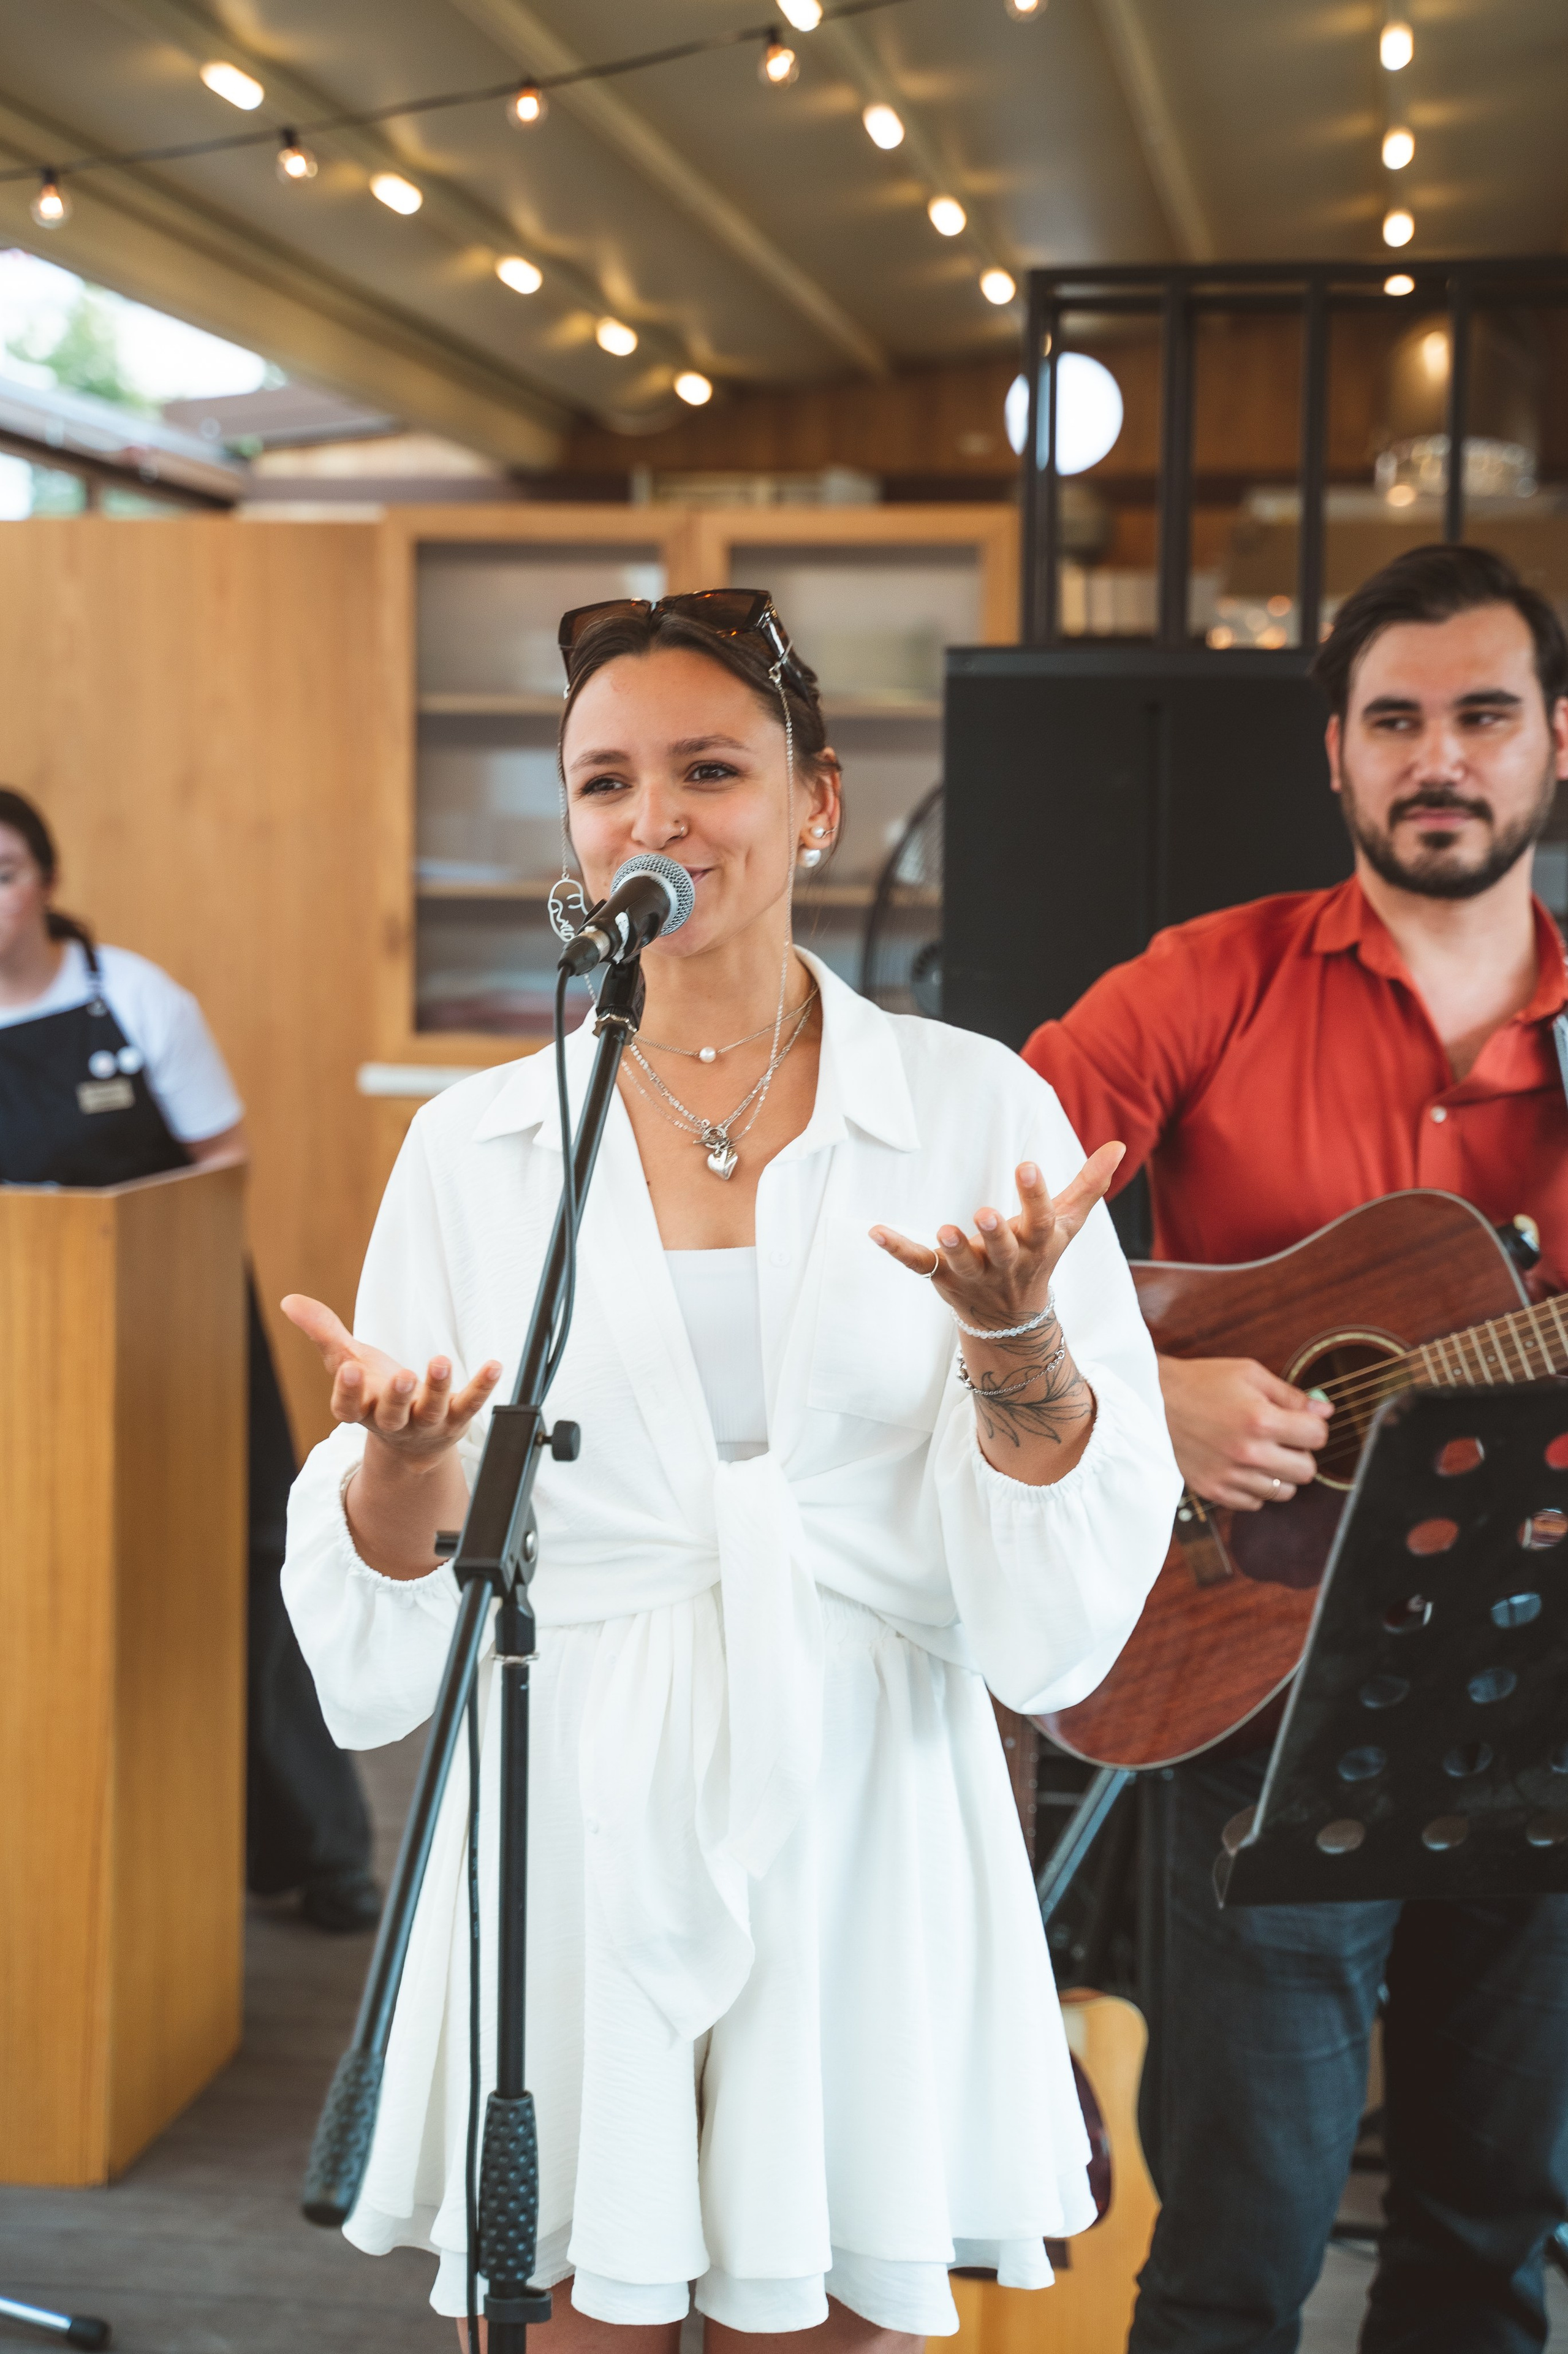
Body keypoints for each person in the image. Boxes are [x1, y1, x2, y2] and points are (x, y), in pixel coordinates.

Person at [279, 588, 1181, 2347]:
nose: (656, 818)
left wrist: (1017, 1340)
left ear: (815, 801)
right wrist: (397, 1466)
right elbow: (399, 1594)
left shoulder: (975, 1104)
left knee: (828, 2294)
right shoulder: (476, 1143)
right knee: (575, 2301)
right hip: (571, 1776)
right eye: (605, 780)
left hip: (865, 1777)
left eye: (710, 769)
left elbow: (1073, 1554)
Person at [1022, 543, 1568, 2354]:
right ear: (1335, 751)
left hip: (1542, 1681)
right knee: (1232, 2249)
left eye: (1482, 714)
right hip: (1258, 1675)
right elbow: (972, 1216)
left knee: (1489, 2239)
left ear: (1556, 740)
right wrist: (1141, 1390)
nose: (1440, 757)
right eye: (1394, 719)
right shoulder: (1210, 980)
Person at [0, 788, 380, 1935]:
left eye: (3, 873)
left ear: (46, 881)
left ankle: (318, 1848)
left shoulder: (136, 998)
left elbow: (223, 1167)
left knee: (245, 1571)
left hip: (179, 1346)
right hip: (29, 1366)